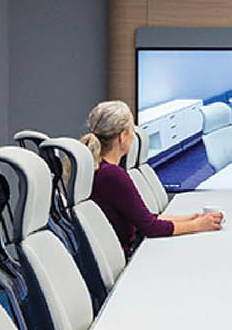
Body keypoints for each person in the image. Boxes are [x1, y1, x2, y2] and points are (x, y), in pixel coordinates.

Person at [82, 100, 222, 256]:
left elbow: (143, 218)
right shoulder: (112, 175)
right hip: (132, 255)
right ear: (122, 136)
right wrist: (198, 226)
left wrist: (192, 219)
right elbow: (150, 227)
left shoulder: (101, 169)